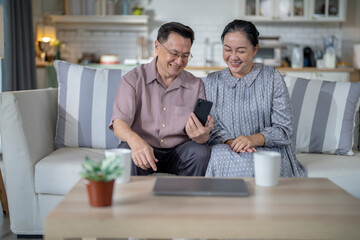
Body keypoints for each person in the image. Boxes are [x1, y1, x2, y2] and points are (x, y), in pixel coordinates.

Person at [204, 19, 307, 178]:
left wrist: (252, 140)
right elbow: (211, 127)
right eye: (227, 49)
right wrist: (233, 143)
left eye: (241, 51)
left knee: (253, 166)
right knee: (216, 157)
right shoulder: (211, 82)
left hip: (270, 149)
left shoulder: (272, 78)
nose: (233, 57)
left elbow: (284, 130)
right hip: (226, 149)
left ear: (255, 50)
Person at [109, 22, 214, 176]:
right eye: (174, 53)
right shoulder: (133, 79)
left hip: (179, 151)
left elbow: (202, 132)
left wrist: (203, 135)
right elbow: (119, 124)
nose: (179, 61)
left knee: (200, 152)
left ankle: (190, 198)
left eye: (185, 55)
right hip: (144, 147)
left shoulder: (196, 84)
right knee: (125, 151)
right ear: (157, 47)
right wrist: (135, 141)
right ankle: (132, 199)